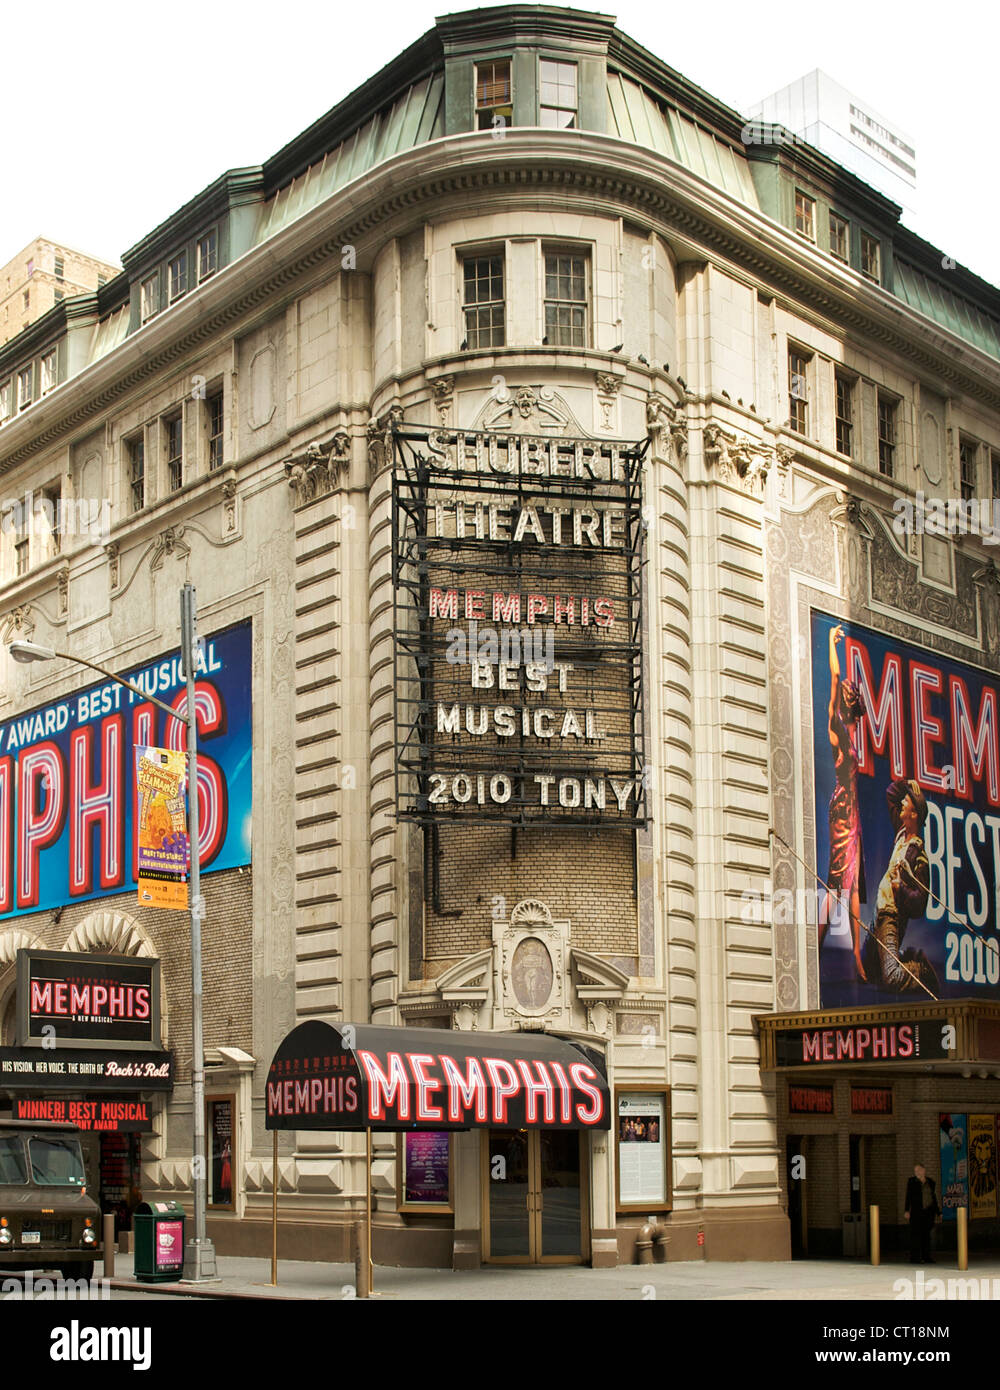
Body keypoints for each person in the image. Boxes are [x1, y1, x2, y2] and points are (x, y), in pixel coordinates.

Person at [819, 624, 867, 980]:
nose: (849, 695)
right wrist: (831, 641)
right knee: (837, 886)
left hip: (853, 814)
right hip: (841, 813)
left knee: (851, 886)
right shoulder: (835, 725)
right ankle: (816, 944)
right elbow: (835, 676)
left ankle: (857, 956)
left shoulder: (849, 730)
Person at [863, 779, 938, 994]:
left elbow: (921, 902)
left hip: (892, 917)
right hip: (880, 912)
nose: (902, 803)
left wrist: (900, 889)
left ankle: (921, 970)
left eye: (907, 803)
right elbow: (890, 793)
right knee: (871, 973)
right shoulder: (901, 833)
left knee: (892, 978)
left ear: (914, 815)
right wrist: (907, 785)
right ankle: (903, 958)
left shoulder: (918, 856)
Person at [904, 1162, 940, 1263]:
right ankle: (915, 1257)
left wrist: (938, 1212)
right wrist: (907, 1210)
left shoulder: (930, 1182)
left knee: (926, 1236)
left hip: (928, 1212)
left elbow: (934, 1198)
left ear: (923, 1170)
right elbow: (908, 1197)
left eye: (919, 1170)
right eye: (915, 1171)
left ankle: (926, 1257)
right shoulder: (912, 1182)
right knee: (915, 1235)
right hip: (916, 1212)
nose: (917, 1173)